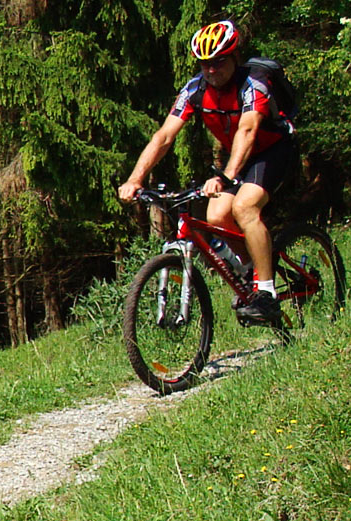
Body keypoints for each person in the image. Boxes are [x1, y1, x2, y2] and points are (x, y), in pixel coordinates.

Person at [117, 20, 298, 322]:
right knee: (215, 217)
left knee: (245, 206)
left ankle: (267, 294)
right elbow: (163, 137)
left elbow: (249, 130)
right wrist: (135, 179)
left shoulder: (255, 83)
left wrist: (226, 176)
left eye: (219, 62)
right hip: (236, 156)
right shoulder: (194, 90)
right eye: (205, 65)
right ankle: (255, 267)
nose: (212, 70)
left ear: (234, 57)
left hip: (272, 150)